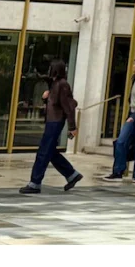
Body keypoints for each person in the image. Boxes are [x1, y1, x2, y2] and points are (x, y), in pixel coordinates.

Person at [21, 60, 83, 194]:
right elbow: (54, 103)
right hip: (51, 121)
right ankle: (72, 174)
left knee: (44, 152)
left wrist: (72, 127)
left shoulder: (62, 85)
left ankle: (35, 182)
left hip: (56, 122)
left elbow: (68, 107)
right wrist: (45, 98)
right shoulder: (55, 84)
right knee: (50, 152)